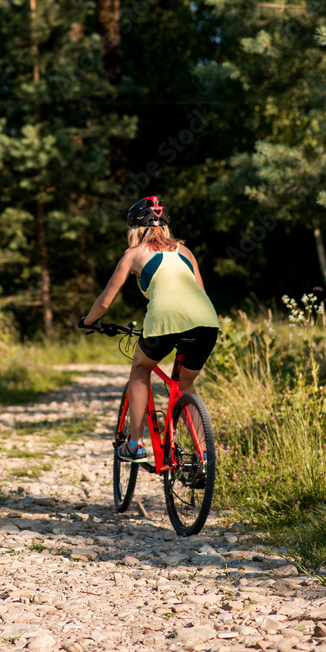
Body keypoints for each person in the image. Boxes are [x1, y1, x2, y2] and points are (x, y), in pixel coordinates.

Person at [79, 195, 219, 463]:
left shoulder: (132, 255)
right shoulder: (186, 252)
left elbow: (105, 300)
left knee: (140, 368)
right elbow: (200, 292)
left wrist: (88, 321)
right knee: (186, 384)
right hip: (207, 322)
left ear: (134, 229)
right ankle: (203, 457)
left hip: (165, 322)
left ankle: (135, 444)